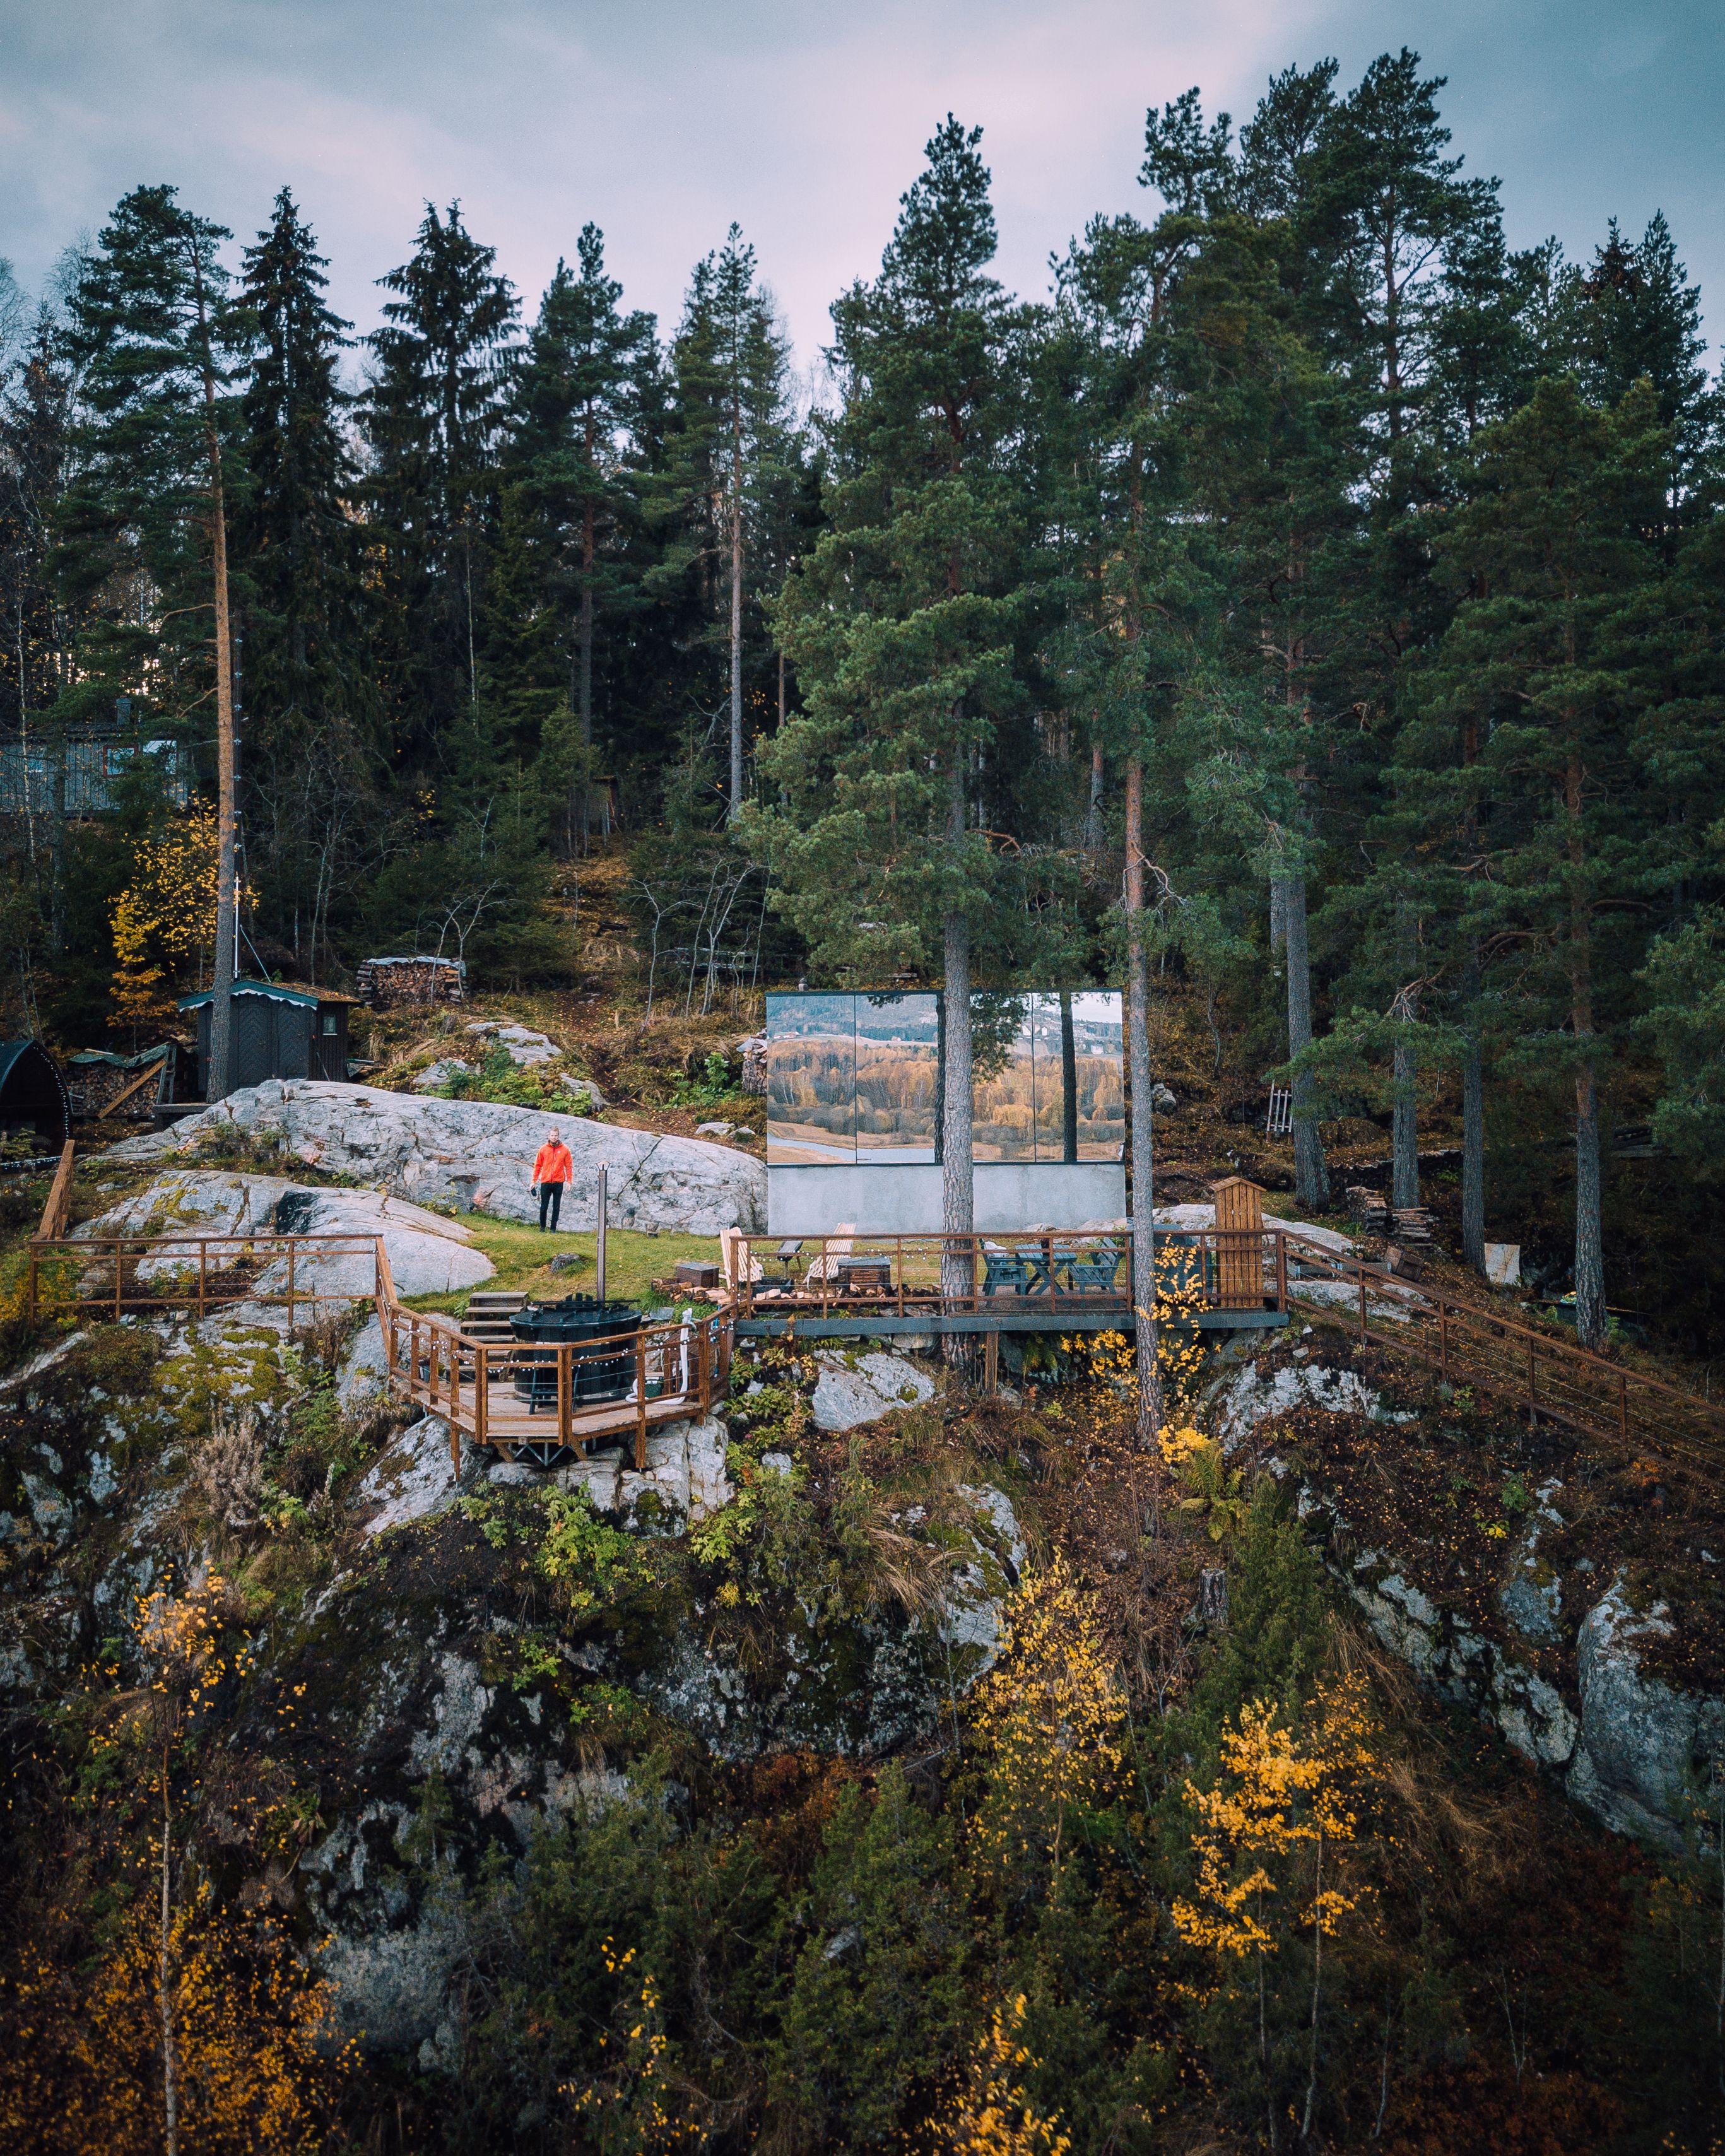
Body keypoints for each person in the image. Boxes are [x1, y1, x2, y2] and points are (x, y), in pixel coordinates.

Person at [533, 1126, 574, 1231]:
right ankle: (542, 1228)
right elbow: (537, 1166)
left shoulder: (565, 1149)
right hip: (545, 1181)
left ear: (558, 1136)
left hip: (558, 1182)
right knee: (544, 1207)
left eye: (556, 1136)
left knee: (556, 1207)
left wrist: (569, 1181)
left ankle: (553, 1229)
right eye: (552, 1135)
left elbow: (568, 1166)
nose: (554, 1137)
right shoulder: (543, 1149)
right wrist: (533, 1181)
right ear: (549, 1136)